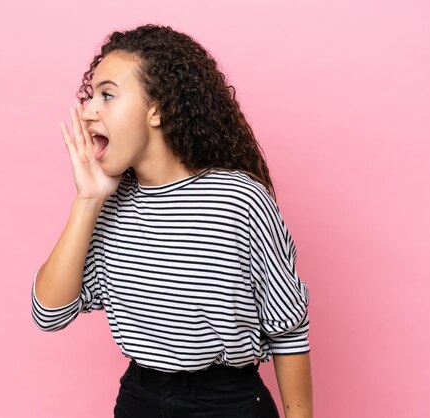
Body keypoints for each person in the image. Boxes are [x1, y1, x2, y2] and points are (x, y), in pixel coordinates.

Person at [31, 24, 313, 418]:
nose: (89, 111)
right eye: (91, 95)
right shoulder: (109, 204)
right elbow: (49, 313)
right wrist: (88, 198)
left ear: (157, 109)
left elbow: (289, 330)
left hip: (225, 403)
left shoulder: (238, 199)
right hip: (139, 399)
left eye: (107, 95)